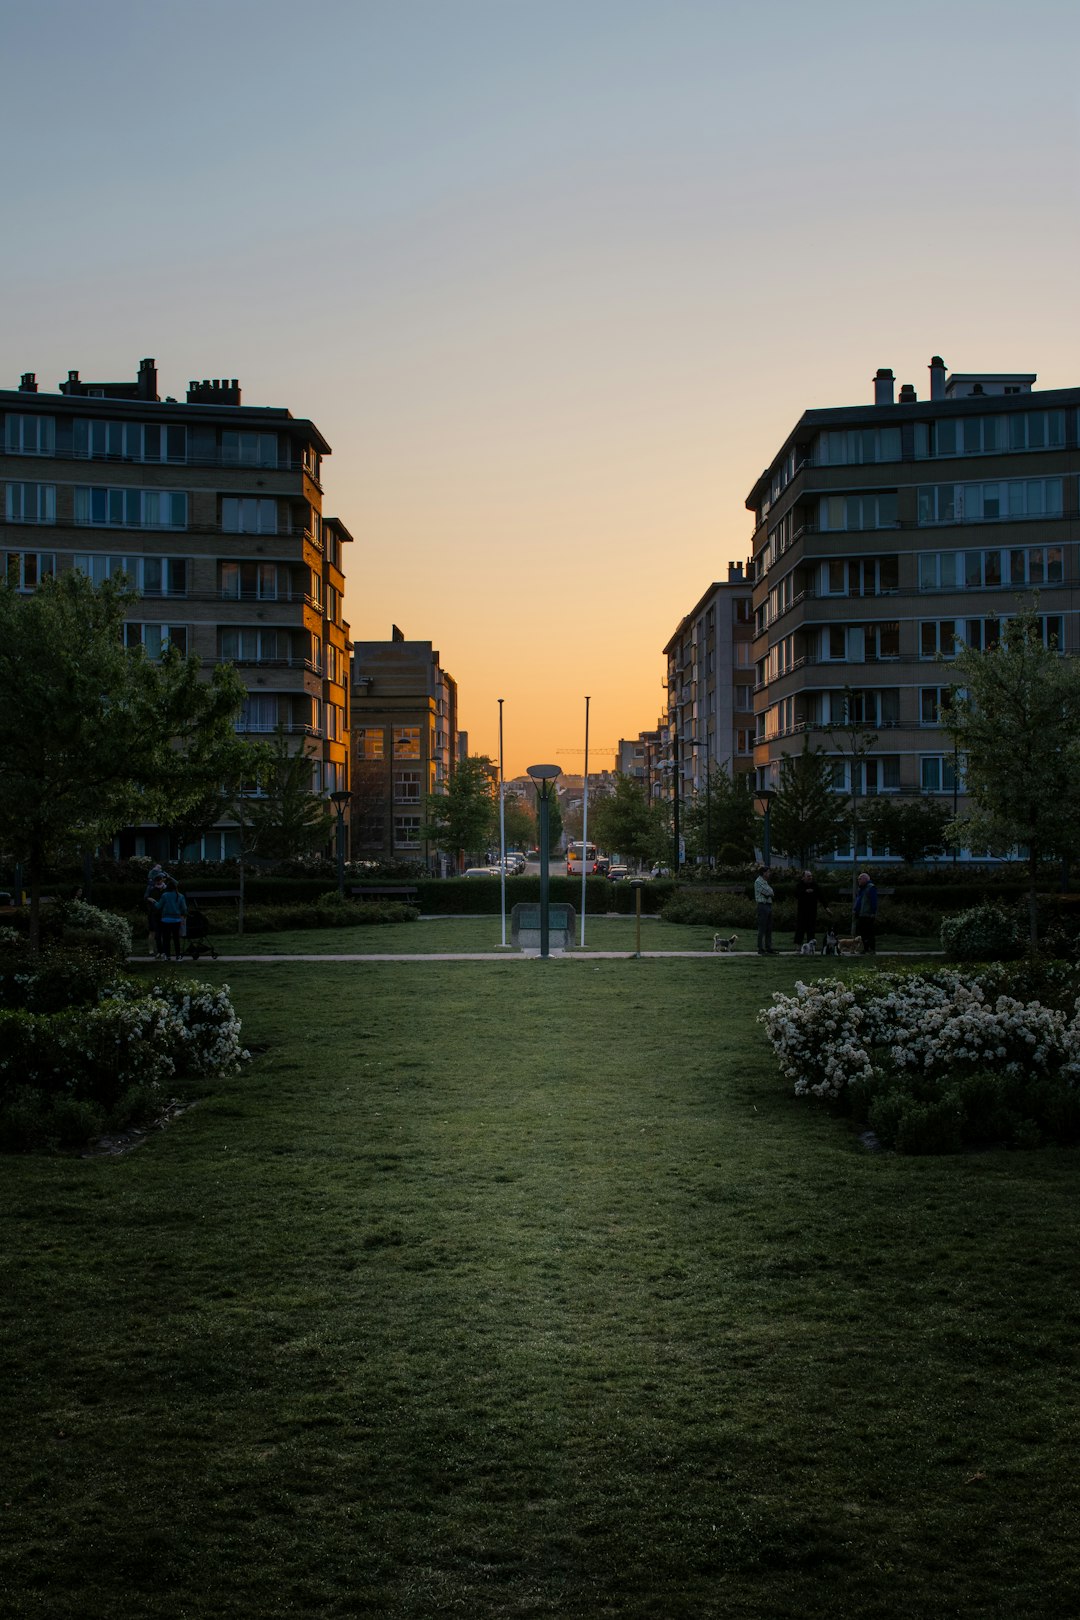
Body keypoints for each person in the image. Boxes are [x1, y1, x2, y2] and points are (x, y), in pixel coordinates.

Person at [154, 877, 188, 962]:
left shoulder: (165, 895)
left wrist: (154, 901)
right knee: (176, 938)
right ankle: (178, 956)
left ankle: (167, 956)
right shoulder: (180, 896)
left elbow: (158, 906)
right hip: (176, 920)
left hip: (165, 920)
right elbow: (184, 909)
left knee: (166, 939)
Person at [144, 868, 167, 957]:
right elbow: (145, 897)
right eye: (157, 880)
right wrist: (151, 900)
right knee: (154, 932)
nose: (158, 881)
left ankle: (162, 950)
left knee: (163, 933)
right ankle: (153, 950)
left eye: (160, 879)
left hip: (164, 912)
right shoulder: (151, 887)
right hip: (153, 912)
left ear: (162, 879)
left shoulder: (166, 888)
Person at [853, 871, 878, 953]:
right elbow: (859, 901)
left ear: (865, 879)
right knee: (863, 933)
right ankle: (866, 948)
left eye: (860, 879)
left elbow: (873, 901)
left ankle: (872, 949)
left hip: (868, 914)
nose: (858, 881)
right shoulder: (861, 889)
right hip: (861, 914)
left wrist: (873, 913)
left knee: (869, 932)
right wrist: (856, 910)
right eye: (858, 879)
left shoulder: (871, 887)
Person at [754, 865, 775, 955]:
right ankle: (760, 948)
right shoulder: (758, 882)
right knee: (762, 928)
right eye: (768, 872)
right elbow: (768, 892)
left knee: (769, 928)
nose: (769, 873)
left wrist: (770, 892)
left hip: (768, 905)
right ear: (764, 873)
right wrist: (770, 892)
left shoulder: (765, 882)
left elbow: (772, 892)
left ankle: (768, 947)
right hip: (762, 906)